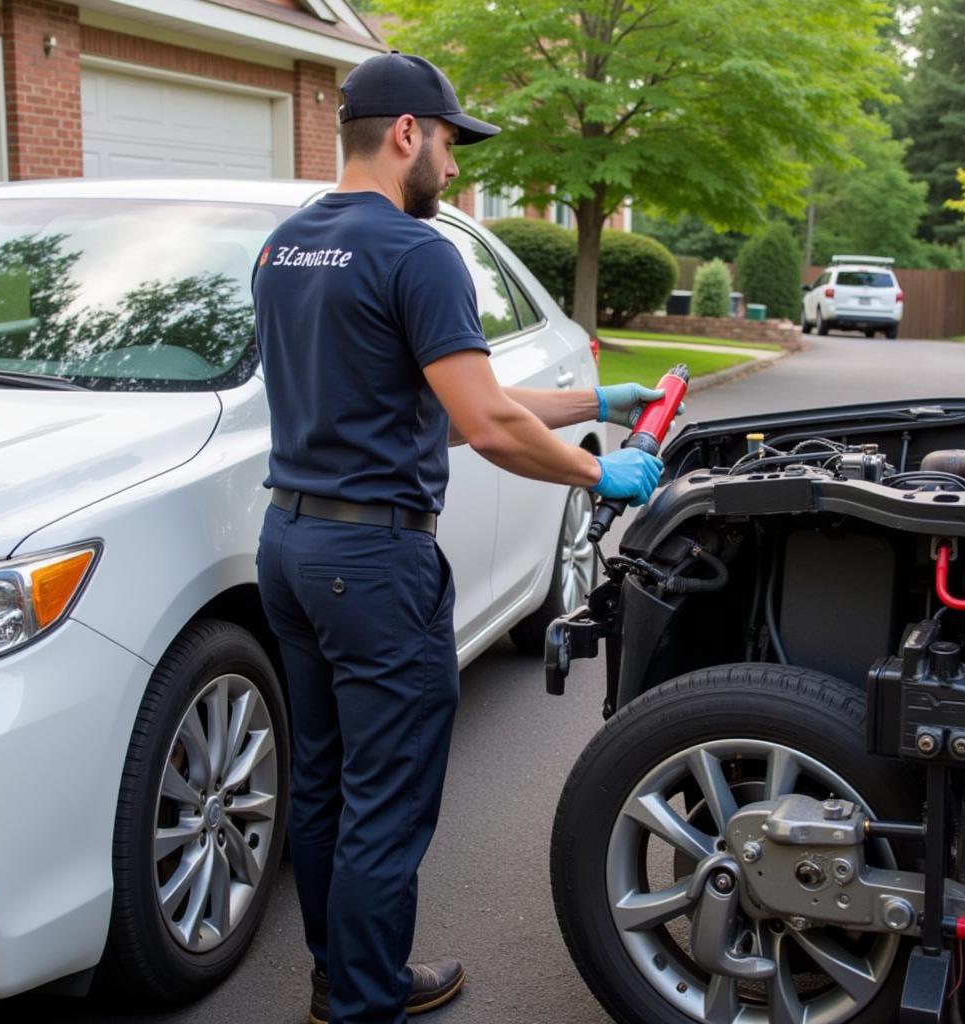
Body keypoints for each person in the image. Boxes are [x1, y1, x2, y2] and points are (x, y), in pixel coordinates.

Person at [252, 50, 666, 1024]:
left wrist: (589, 400)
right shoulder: (417, 251)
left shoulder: (282, 247)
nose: (454, 165)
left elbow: (433, 402)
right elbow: (481, 426)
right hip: (375, 565)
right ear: (406, 134)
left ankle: (339, 979)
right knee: (384, 805)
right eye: (448, 143)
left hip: (292, 547)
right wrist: (597, 468)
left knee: (322, 783)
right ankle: (365, 1003)